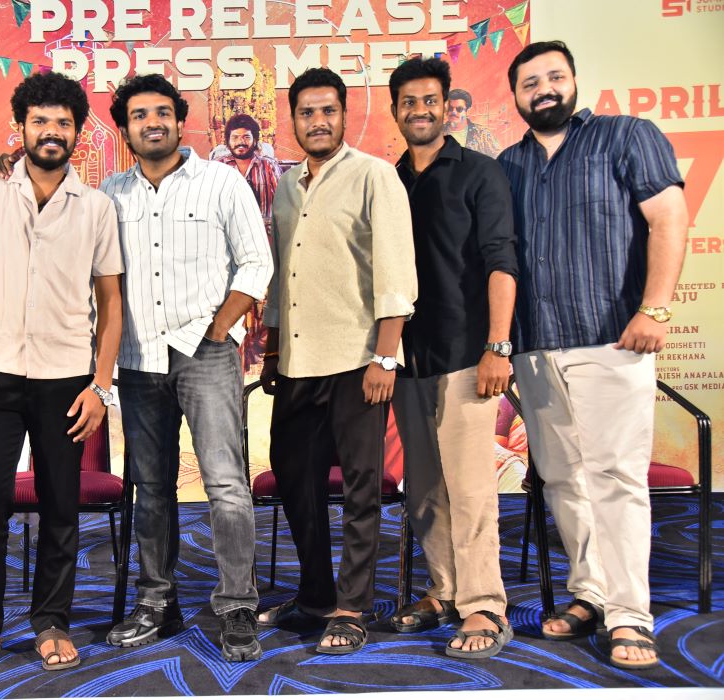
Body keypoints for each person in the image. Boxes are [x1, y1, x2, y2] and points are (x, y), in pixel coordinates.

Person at [498, 40, 688, 670]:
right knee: (562, 479)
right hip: (534, 348)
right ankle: (590, 593)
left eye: (554, 77)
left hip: (611, 339)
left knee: (616, 477)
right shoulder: (508, 165)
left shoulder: (626, 136)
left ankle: (630, 614)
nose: (543, 90)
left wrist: (655, 307)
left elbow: (668, 219)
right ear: (515, 95)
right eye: (530, 83)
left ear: (574, 81)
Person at [0, 72, 123, 673]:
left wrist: (101, 385)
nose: (51, 132)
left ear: (77, 133)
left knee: (60, 504)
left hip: (67, 380)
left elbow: (111, 303)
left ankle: (51, 621)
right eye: (40, 121)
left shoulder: (96, 207)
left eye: (63, 123)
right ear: (19, 127)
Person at [100, 73, 273, 662]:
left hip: (206, 354)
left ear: (179, 120)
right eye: (139, 115)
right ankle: (157, 601)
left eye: (162, 112)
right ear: (125, 129)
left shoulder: (222, 182)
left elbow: (256, 263)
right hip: (138, 358)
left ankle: (238, 605)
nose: (152, 123)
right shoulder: (110, 194)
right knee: (151, 487)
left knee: (225, 484)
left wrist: (220, 327)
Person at [257, 67, 417, 654]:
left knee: (360, 487)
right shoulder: (288, 185)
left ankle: (352, 606)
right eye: (307, 112)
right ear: (293, 121)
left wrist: (385, 357)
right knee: (294, 480)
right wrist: (274, 348)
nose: (318, 121)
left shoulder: (375, 175)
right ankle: (316, 594)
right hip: (297, 362)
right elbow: (283, 277)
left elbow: (396, 272)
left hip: (358, 360)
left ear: (345, 115)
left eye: (328, 111)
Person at [386, 57, 518, 658]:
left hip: (469, 354)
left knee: (470, 490)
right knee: (423, 490)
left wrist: (497, 346)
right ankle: (443, 590)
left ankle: (485, 605)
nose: (420, 110)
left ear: (446, 107)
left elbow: (501, 260)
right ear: (395, 112)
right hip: (407, 358)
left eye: (429, 100)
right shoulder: (389, 180)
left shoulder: (480, 173)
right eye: (408, 102)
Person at [216, 113, 284, 372]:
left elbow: (280, 204)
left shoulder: (268, 166)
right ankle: (235, 360)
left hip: (262, 245)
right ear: (227, 141)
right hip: (227, 248)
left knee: (263, 301)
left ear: (255, 139)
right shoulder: (218, 168)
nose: (241, 142)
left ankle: (261, 359)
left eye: (246, 137)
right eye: (235, 137)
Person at [445, 88, 501, 157]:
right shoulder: (437, 134)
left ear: (468, 111)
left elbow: (498, 159)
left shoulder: (483, 134)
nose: (453, 112)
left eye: (459, 109)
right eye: (450, 108)